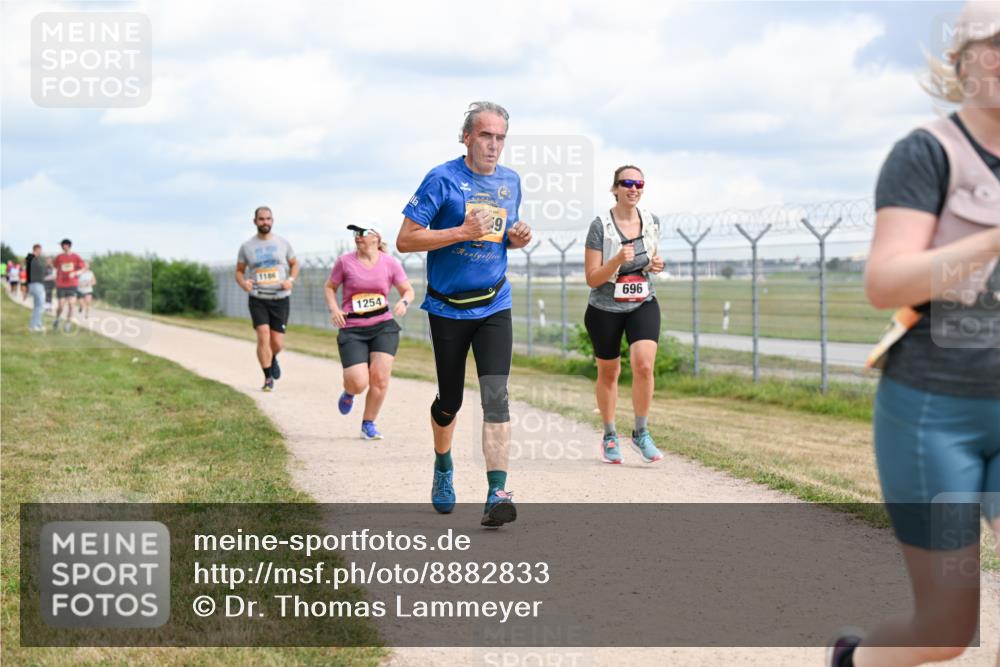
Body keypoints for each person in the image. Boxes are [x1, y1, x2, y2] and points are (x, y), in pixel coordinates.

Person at [828, 3, 1000, 667]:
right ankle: (856, 659)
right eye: (994, 44)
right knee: (944, 631)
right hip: (935, 411)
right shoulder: (928, 153)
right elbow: (887, 280)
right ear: (960, 63)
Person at [396, 101, 533, 528]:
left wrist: (516, 239)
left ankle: (497, 493)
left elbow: (496, 240)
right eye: (486, 136)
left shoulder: (511, 182)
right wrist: (460, 231)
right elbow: (405, 240)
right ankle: (442, 465)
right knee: (450, 400)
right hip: (447, 309)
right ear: (467, 137)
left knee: (496, 395)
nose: (493, 146)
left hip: (494, 303)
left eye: (500, 138)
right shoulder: (442, 179)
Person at [583, 166, 666, 465]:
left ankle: (641, 433)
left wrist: (655, 265)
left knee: (644, 365)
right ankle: (609, 435)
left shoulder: (652, 221)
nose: (633, 188)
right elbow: (592, 278)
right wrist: (617, 259)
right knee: (609, 372)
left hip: (643, 302)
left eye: (639, 183)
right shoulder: (600, 226)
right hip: (604, 309)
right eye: (627, 183)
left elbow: (649, 260)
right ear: (614, 188)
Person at [324, 224, 415, 440]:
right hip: (353, 329)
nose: (358, 237)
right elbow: (330, 287)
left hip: (383, 327)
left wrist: (404, 301)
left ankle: (368, 423)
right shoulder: (345, 262)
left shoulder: (390, 262)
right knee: (358, 382)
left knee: (380, 379)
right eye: (355, 233)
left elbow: (408, 290)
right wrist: (334, 309)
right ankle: (350, 392)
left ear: (376, 238)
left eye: (363, 233)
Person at [235, 206, 299, 392]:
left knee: (277, 343)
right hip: (258, 297)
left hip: (280, 297)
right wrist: (243, 283)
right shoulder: (247, 247)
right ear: (255, 221)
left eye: (268, 219)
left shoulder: (283, 243)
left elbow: (294, 264)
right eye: (261, 219)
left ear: (273, 221)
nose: (265, 222)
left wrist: (290, 280)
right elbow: (239, 271)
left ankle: (272, 357)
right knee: (263, 334)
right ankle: (268, 377)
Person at [52, 239, 86, 332]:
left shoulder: (76, 257)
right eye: (63, 245)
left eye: (66, 245)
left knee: (71, 304)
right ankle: (57, 318)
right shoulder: (59, 257)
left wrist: (75, 273)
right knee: (61, 306)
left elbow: (83, 268)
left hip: (72, 284)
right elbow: (54, 268)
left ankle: (68, 323)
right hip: (61, 284)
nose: (64, 247)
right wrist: (55, 276)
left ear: (69, 246)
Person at [25, 245, 49, 332]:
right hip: (36, 284)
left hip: (35, 284)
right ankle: (34, 325)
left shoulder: (33, 259)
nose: (41, 252)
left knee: (37, 306)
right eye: (40, 250)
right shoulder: (32, 259)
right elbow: (39, 270)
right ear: (37, 249)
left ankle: (37, 324)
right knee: (40, 306)